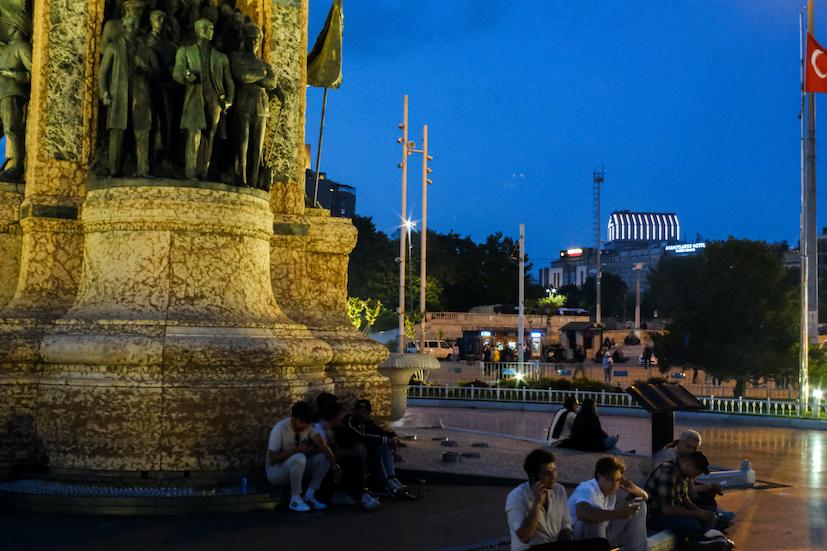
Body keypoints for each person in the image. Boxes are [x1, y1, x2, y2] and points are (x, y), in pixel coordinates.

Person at [505, 449, 608, 551]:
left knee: (601, 544)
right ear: (533, 477)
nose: (553, 476)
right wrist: (537, 503)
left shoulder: (558, 490)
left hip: (554, 546)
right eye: (547, 473)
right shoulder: (516, 497)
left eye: (554, 471)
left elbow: (565, 527)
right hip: (531, 549)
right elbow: (525, 536)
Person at [99, 14, 160, 177]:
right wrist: (104, 92)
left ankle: (143, 169)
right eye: (132, 25)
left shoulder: (145, 51)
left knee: (142, 132)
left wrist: (145, 69)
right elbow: (103, 73)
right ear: (125, 27)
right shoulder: (113, 48)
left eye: (137, 25)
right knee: (117, 133)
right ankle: (114, 170)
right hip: (119, 96)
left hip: (140, 97)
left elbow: (157, 73)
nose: (135, 28)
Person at [173, 17, 234, 180]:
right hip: (195, 96)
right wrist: (187, 76)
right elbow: (177, 72)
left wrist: (229, 100)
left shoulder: (221, 57)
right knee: (194, 133)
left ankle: (203, 170)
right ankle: (190, 170)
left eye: (212, 28)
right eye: (208, 28)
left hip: (214, 99)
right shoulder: (185, 51)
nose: (212, 31)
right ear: (199, 30)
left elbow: (229, 81)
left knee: (210, 135)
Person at [265, 401, 341, 512]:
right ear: (293, 417)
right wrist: (297, 450)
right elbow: (273, 459)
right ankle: (295, 499)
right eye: (301, 421)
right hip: (276, 472)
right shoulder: (280, 428)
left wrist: (335, 466)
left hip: (298, 468)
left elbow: (322, 445)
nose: (303, 426)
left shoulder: (308, 427)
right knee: (299, 457)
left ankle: (309, 495)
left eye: (306, 422)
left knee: (324, 458)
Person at [230, 23, 278, 188]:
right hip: (243, 106)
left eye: (256, 39)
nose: (253, 43)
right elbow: (241, 76)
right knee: (242, 144)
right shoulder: (238, 58)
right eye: (250, 39)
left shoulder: (264, 63)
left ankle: (253, 179)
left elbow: (271, 83)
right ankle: (240, 177)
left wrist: (256, 76)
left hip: (261, 109)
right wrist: (261, 75)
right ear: (244, 40)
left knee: (257, 148)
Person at [653, 430, 735, 525]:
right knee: (694, 522)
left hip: (676, 497)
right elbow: (679, 490)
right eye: (687, 446)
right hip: (663, 501)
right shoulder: (668, 459)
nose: (690, 451)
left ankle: (715, 516)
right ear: (679, 442)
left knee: (708, 497)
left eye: (694, 448)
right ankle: (715, 518)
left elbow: (687, 485)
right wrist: (708, 487)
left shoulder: (684, 458)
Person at [567, 456, 648, 551]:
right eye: (611, 479)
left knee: (640, 506)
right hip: (577, 540)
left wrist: (633, 488)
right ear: (599, 476)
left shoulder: (612, 489)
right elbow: (582, 514)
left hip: (602, 535)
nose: (615, 485)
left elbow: (645, 498)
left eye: (618, 480)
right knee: (596, 518)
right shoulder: (587, 489)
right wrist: (619, 513)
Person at [314, 401, 380, 510]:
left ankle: (360, 493)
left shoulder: (337, 429)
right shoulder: (319, 428)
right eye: (340, 415)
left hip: (331, 460)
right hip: (322, 463)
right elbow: (325, 452)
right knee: (356, 455)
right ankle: (358, 494)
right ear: (334, 416)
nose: (342, 418)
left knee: (361, 451)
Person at [644, 450, 719, 544]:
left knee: (713, 512)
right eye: (695, 474)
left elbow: (684, 498)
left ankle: (698, 537)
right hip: (656, 516)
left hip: (673, 511)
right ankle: (696, 539)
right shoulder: (668, 473)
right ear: (689, 466)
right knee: (692, 525)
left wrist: (699, 511)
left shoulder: (682, 472)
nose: (694, 478)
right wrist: (697, 514)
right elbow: (667, 509)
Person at [342, 398, 411, 497]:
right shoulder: (349, 421)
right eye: (358, 411)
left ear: (368, 414)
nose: (360, 414)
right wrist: (385, 440)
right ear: (354, 411)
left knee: (385, 445)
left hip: (366, 453)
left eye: (364, 412)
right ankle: (386, 483)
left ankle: (392, 478)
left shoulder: (368, 424)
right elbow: (360, 436)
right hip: (353, 455)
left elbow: (384, 433)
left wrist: (393, 438)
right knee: (377, 446)